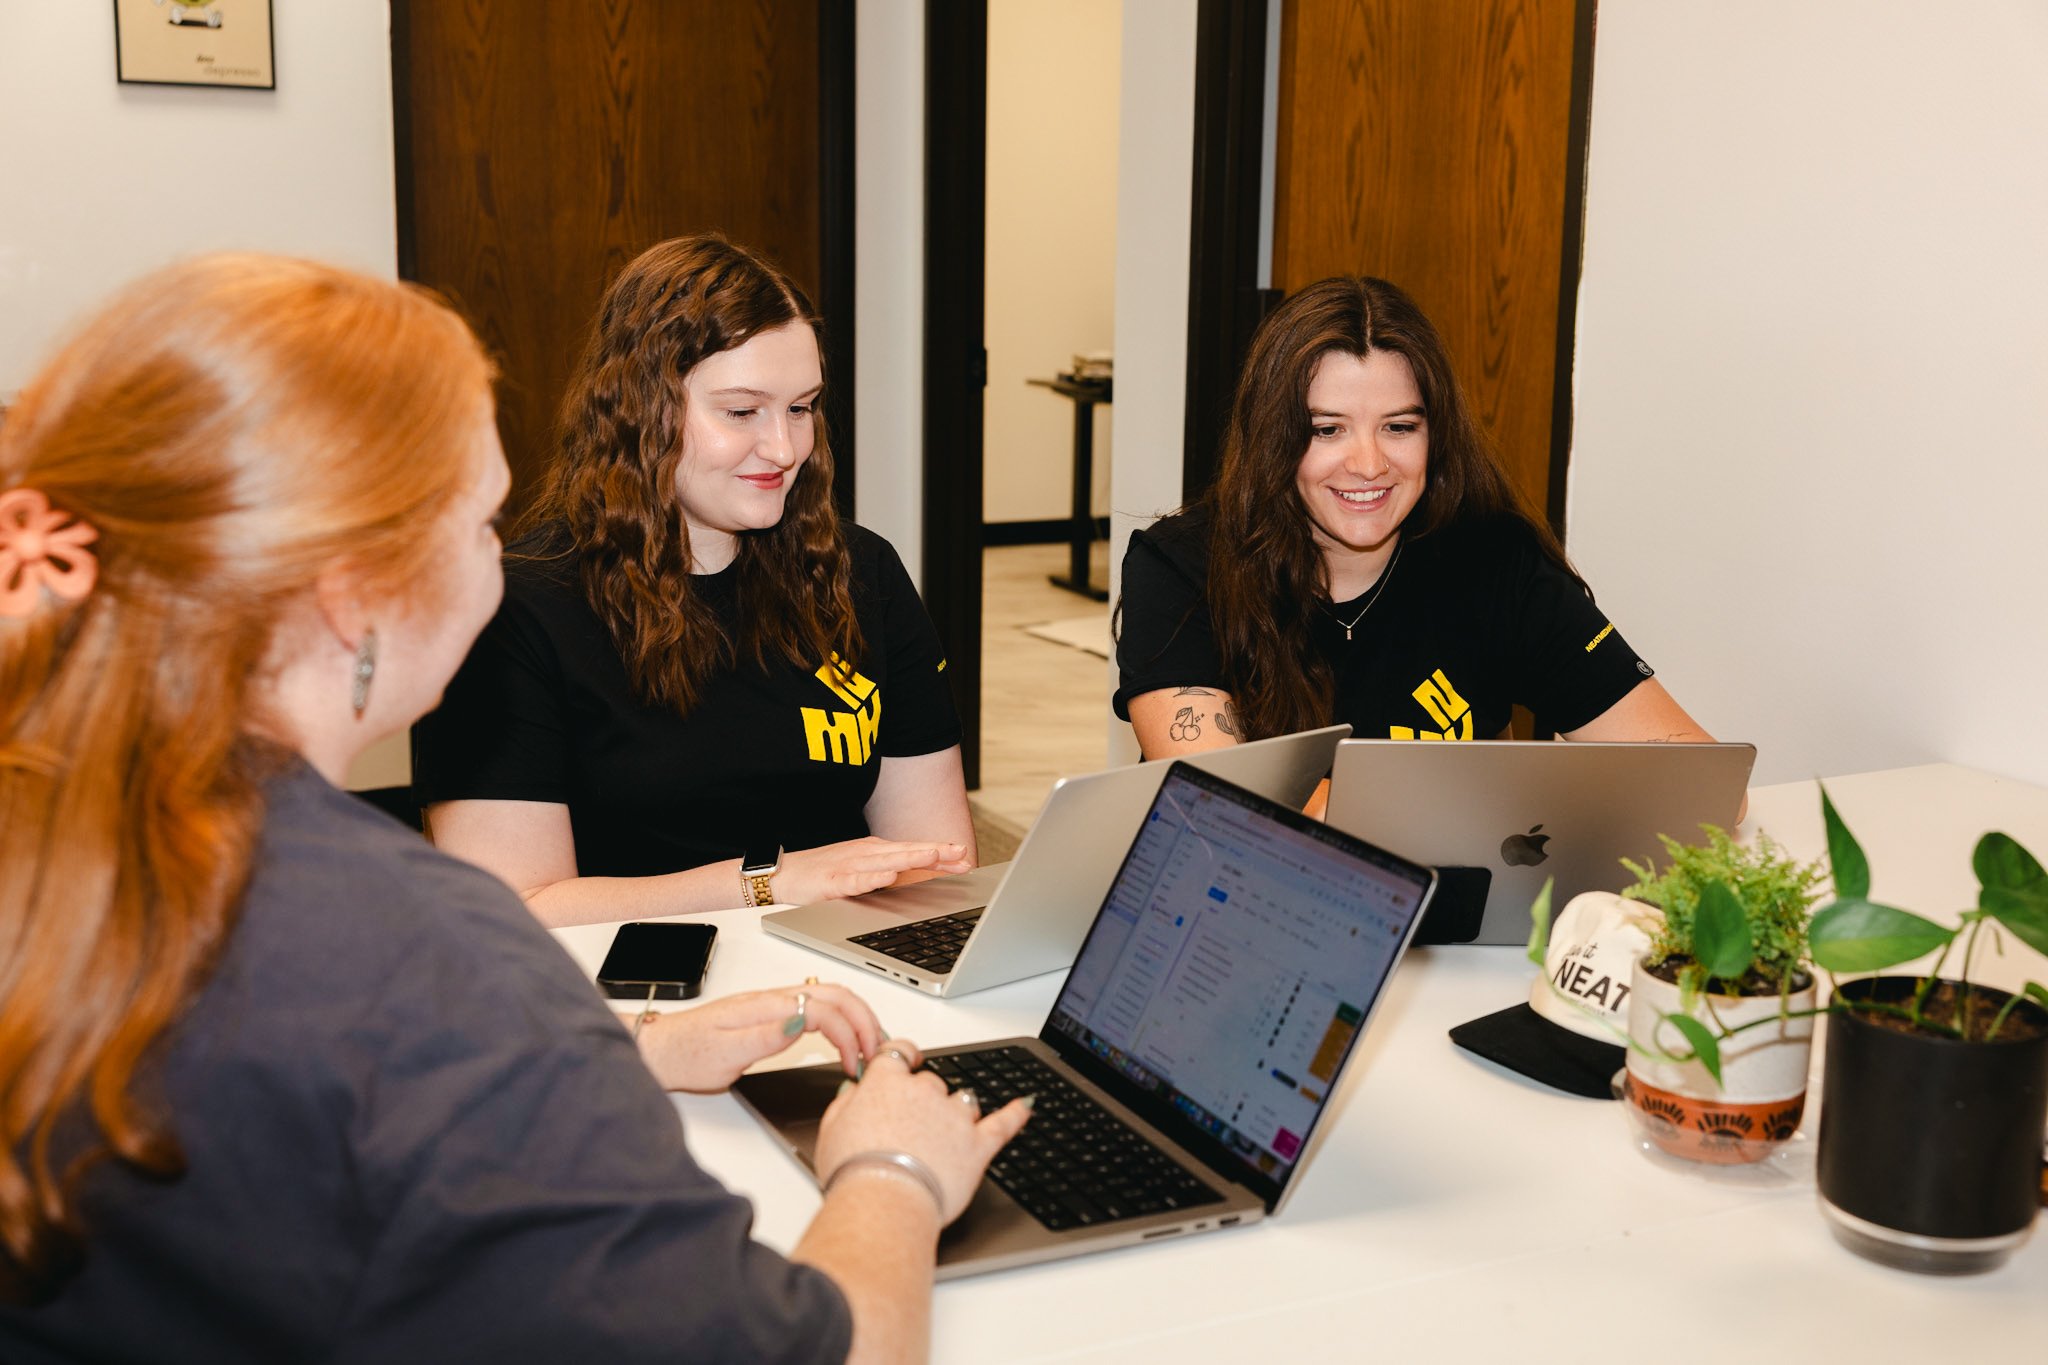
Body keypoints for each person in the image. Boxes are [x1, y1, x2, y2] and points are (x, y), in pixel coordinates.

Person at [0, 255, 1028, 1363]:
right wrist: (891, 1169)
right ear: (357, 597)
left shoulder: (74, 834)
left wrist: (613, 1050)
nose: (502, 559)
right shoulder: (427, 960)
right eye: (479, 523)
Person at [414, 235, 975, 927]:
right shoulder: (514, 611)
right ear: (642, 411)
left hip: (842, 968)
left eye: (802, 407)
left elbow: (937, 865)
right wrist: (770, 883)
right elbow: (517, 909)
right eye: (742, 411)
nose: (784, 448)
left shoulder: (865, 574)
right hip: (626, 994)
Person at [1116, 275, 1715, 766]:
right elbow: (1212, 798)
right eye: (1327, 430)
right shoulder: (1181, 566)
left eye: (1400, 427)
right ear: (1274, 439)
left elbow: (1701, 777)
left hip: (1462, 909)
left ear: (1436, 435)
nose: (1369, 464)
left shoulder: (1497, 563)